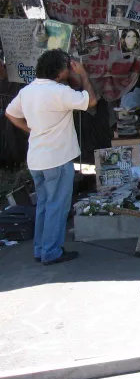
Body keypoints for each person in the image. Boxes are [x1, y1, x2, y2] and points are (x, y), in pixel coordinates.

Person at [5, 50, 98, 265]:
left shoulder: (28, 91)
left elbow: (10, 113)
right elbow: (91, 100)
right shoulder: (59, 92)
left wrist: (31, 130)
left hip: (36, 159)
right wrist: (83, 74)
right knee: (58, 206)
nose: (70, 69)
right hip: (57, 159)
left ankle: (41, 249)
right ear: (60, 70)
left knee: (45, 206)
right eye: (68, 66)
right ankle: (51, 252)